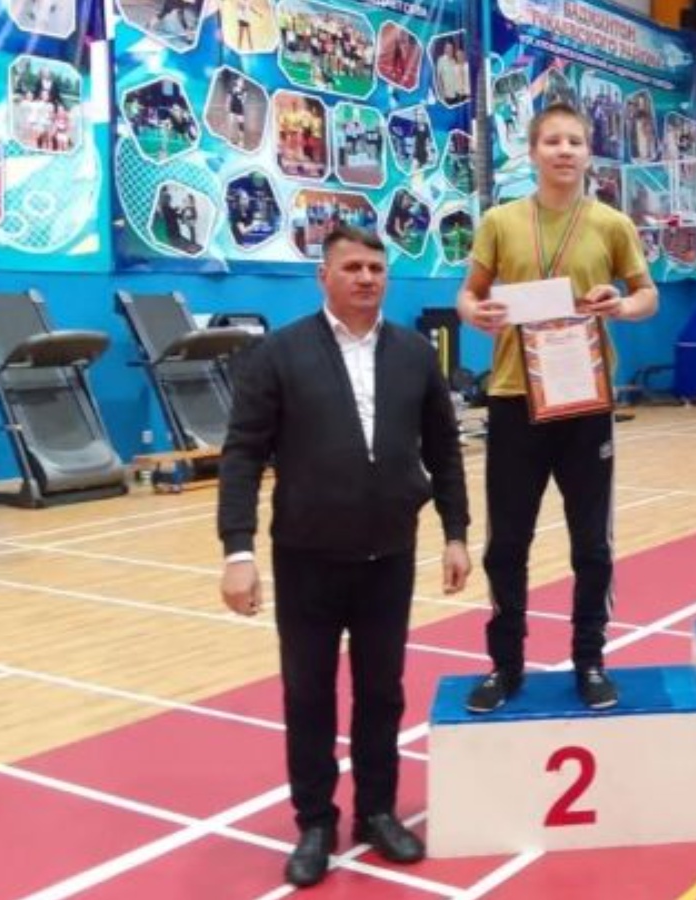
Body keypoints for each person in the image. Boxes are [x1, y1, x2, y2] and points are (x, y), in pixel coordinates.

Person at [218, 227, 472, 888]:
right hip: (306, 558)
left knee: (382, 693)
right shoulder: (278, 354)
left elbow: (444, 450)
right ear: (324, 276)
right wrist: (238, 550)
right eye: (352, 267)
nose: (366, 278)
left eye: (376, 268)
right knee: (308, 695)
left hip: (389, 555)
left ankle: (378, 812)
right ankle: (315, 822)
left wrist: (455, 532)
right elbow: (242, 455)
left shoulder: (415, 354)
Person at [457, 102, 656, 713]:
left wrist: (621, 306)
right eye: (552, 141)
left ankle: (589, 659)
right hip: (514, 399)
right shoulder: (500, 221)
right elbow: (469, 294)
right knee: (507, 543)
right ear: (532, 151)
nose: (564, 150)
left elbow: (647, 296)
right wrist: (476, 313)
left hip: (585, 401)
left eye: (574, 141)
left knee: (591, 543)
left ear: (589, 152)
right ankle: (505, 665)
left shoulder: (612, 224)